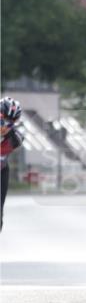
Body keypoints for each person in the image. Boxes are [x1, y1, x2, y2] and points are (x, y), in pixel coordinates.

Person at [1, 96, 24, 231]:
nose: (4, 126)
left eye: (10, 123)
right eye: (2, 120)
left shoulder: (14, 138)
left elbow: (20, 138)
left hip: (1, 171)